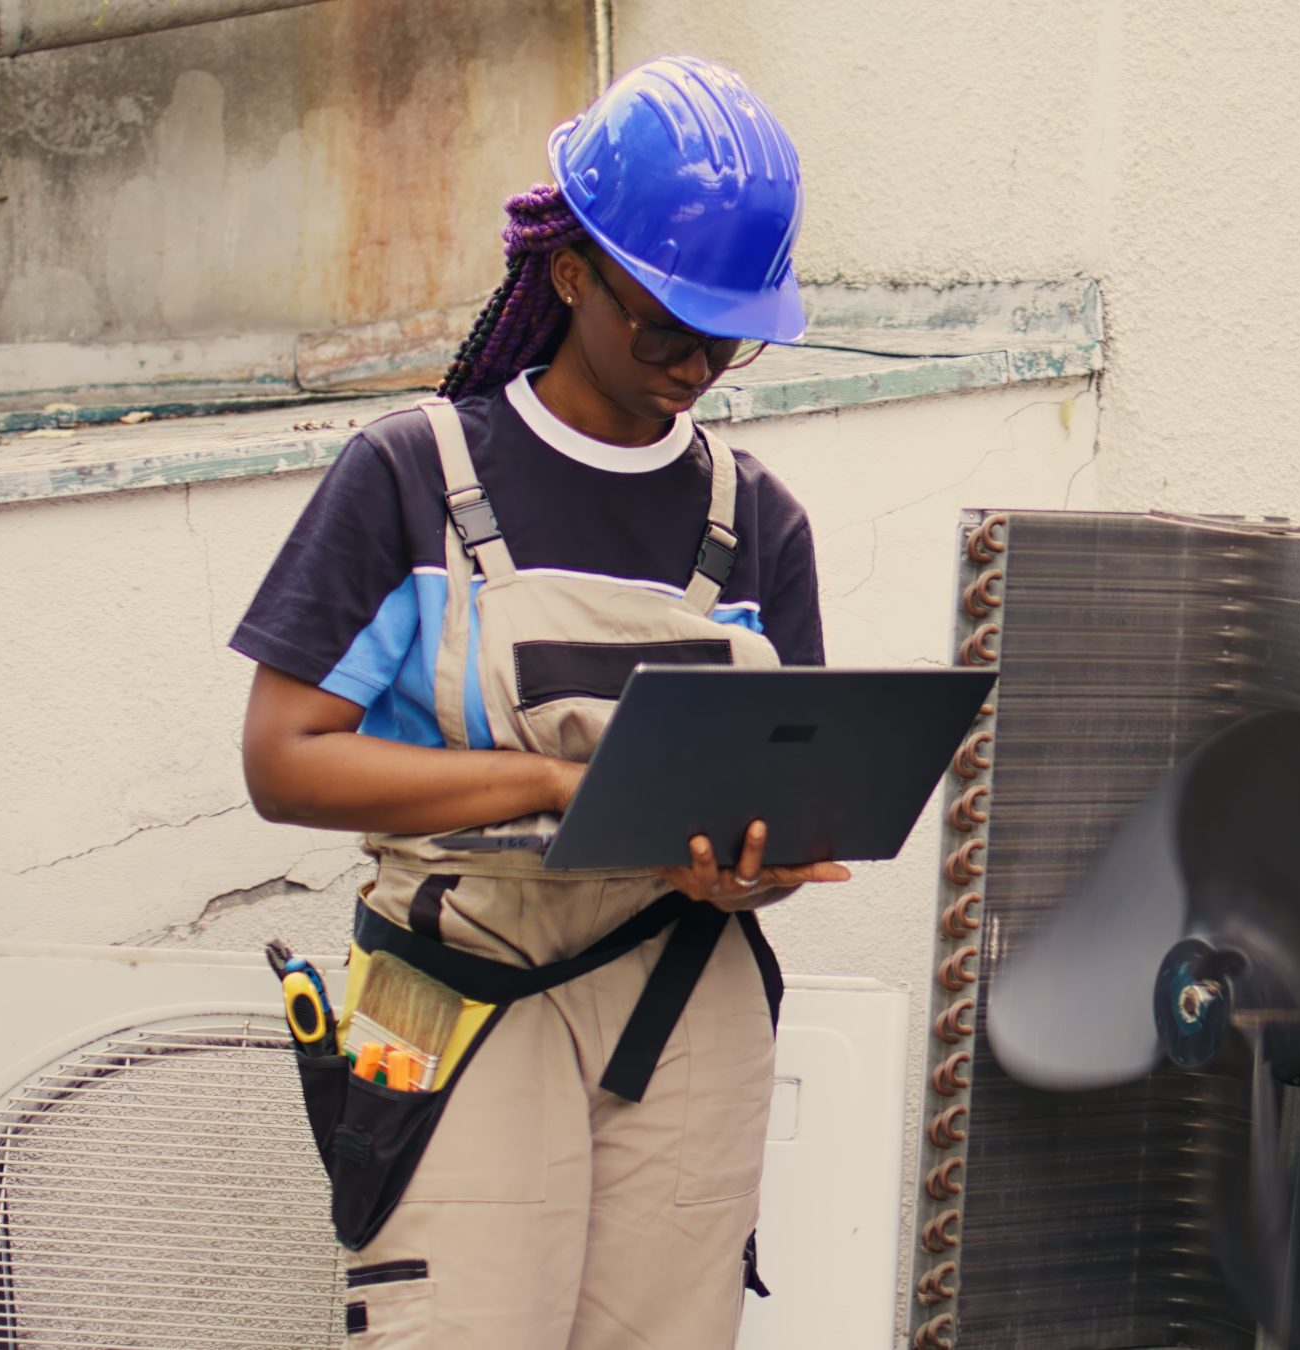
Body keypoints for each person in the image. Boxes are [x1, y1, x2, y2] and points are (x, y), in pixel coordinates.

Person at [230, 55, 846, 1349]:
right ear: (571, 274)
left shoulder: (757, 522)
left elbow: (775, 806)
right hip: (433, 990)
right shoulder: (412, 474)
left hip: (684, 992)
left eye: (725, 334)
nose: (697, 364)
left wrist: (755, 872)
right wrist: (558, 785)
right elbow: (286, 759)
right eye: (665, 325)